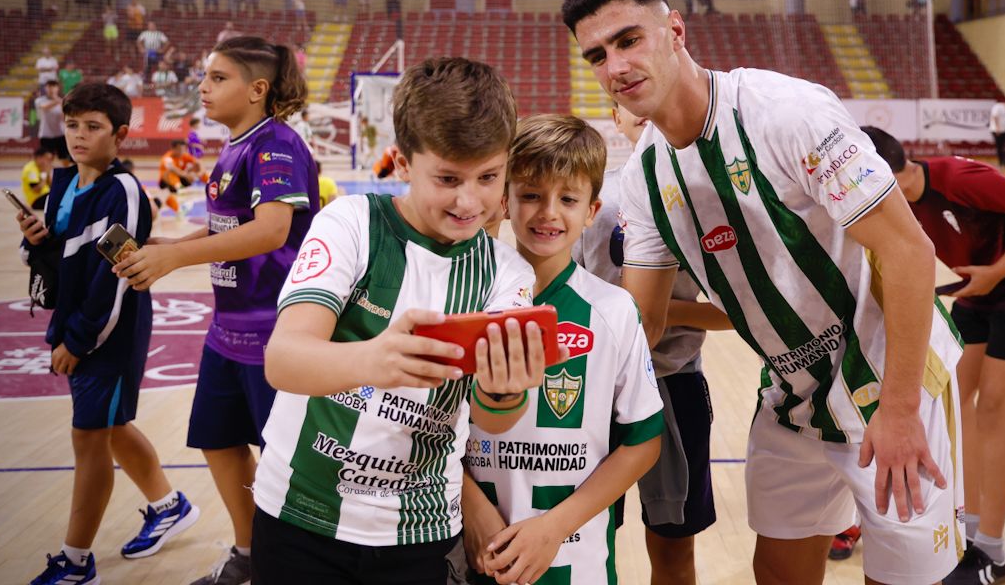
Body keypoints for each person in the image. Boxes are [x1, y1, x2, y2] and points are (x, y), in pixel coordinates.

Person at [563, 0, 964, 585]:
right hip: (792, 393)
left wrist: (903, 408)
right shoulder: (643, 176)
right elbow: (644, 318)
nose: (614, 67)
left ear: (675, 30)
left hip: (890, 382)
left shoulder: (785, 111)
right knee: (776, 572)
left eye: (628, 40)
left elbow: (909, 252)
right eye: (596, 55)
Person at [250, 56, 557, 583]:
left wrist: (507, 392)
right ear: (401, 163)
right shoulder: (350, 223)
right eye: (447, 177)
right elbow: (283, 360)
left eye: (489, 177)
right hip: (298, 515)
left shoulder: (507, 273)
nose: (470, 200)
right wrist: (373, 358)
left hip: (421, 532)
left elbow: (492, 418)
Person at [112, 36, 319, 585]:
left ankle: (288, 567)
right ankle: (250, 556)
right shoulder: (234, 146)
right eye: (205, 77)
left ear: (257, 89)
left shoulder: (275, 144)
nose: (202, 87)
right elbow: (234, 227)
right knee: (218, 439)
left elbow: (273, 229)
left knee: (283, 463)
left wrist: (178, 257)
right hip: (228, 329)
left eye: (218, 78)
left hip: (276, 331)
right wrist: (169, 245)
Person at [459, 114, 664, 585]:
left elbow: (642, 442)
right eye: (530, 195)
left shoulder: (614, 311)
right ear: (505, 202)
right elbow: (431, 425)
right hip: (473, 546)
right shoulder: (466, 301)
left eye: (567, 199)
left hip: (576, 556)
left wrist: (554, 528)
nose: (548, 212)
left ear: (592, 211)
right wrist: (473, 510)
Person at [863, 127, 1005, 585]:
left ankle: (992, 551)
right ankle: (967, 532)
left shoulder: (958, 177)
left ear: (885, 171)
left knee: (995, 406)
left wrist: (997, 272)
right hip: (979, 287)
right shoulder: (901, 201)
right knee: (957, 401)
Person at [16, 83, 199, 585]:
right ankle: (169, 505)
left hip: (107, 333)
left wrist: (78, 341)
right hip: (77, 326)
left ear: (119, 134)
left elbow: (118, 276)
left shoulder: (124, 192)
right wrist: (36, 242)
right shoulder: (62, 184)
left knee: (88, 436)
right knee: (113, 427)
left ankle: (76, 562)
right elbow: (62, 261)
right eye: (72, 125)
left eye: (92, 127)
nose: (78, 136)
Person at [571, 102, 718, 583]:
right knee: (586, 540)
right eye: (631, 109)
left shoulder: (706, 201)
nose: (645, 114)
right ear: (615, 117)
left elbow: (730, 313)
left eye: (655, 106)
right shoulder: (588, 201)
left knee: (674, 548)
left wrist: (644, 312)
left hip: (673, 383)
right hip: (591, 388)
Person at [157, 139, 201, 217]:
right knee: (165, 196)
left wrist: (196, 174)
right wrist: (186, 175)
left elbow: (197, 163)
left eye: (183, 150)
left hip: (179, 180)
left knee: (191, 173)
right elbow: (173, 169)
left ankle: (180, 208)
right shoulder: (167, 158)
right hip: (165, 182)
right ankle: (179, 196)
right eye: (179, 150)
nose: (181, 152)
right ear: (173, 149)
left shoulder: (184, 155)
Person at [36, 80, 70, 162]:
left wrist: (61, 103)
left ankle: (67, 174)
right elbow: (44, 108)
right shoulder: (40, 100)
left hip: (60, 134)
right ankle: (46, 175)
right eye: (49, 86)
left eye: (54, 86)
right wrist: (57, 101)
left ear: (57, 88)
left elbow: (64, 118)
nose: (51, 89)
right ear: (45, 88)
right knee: (47, 158)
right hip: (46, 134)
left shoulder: (62, 102)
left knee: (64, 158)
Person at [989, 95, 1005, 168]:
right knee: (1000, 146)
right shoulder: (999, 106)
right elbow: (994, 116)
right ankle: (1001, 162)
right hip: (997, 130)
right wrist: (997, 128)